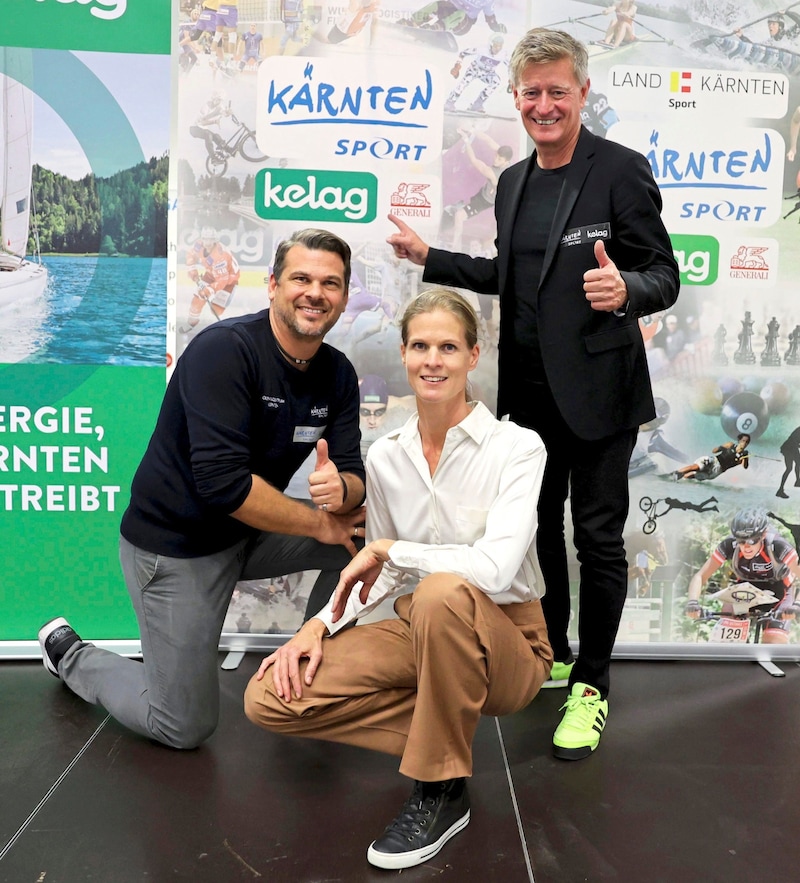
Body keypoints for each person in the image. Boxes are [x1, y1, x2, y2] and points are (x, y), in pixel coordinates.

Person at [386, 27, 680, 759]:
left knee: (597, 539)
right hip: (527, 398)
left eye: (557, 91)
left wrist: (627, 289)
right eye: (532, 93)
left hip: (601, 392)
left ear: (581, 92)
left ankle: (594, 683)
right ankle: (548, 650)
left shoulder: (619, 170)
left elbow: (664, 274)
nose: (544, 105)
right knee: (536, 534)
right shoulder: (514, 182)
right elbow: (510, 277)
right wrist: (432, 258)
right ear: (516, 98)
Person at [244, 288, 552, 869]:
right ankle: (447, 730)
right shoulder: (386, 456)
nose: (432, 360)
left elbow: (493, 569)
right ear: (405, 355)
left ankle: (441, 790)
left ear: (472, 356)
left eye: (447, 347)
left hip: (510, 643)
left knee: (440, 591)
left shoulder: (518, 447)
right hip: (419, 627)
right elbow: (380, 578)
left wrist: (389, 547)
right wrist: (317, 626)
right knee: (270, 698)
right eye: (419, 346)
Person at [38, 229, 367, 750]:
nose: (315, 293)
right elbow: (224, 486)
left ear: (344, 297)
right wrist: (318, 518)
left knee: (359, 543)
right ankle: (70, 653)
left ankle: (312, 667)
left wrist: (342, 489)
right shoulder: (225, 351)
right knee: (182, 726)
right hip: (177, 549)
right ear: (274, 285)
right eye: (301, 278)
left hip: (248, 536)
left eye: (331, 283)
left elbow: (352, 474)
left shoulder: (337, 373)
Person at [685, 507, 800, 644]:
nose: (746, 546)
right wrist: (692, 603)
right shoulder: (729, 545)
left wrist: (797, 605)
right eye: (741, 541)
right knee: (726, 634)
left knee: (773, 641)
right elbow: (700, 576)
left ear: (763, 535)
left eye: (752, 541)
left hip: (779, 591)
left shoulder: (778, 545)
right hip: (745, 590)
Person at [444, 127, 513, 251]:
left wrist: (466, 141)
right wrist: (472, 131)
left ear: (506, 161)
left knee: (459, 215)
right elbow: (487, 139)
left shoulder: (493, 175)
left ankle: (455, 248)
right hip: (489, 192)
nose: (495, 160)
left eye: (499, 159)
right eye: (496, 157)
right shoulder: (503, 155)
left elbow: (474, 161)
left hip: (487, 200)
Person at [179, 226, 240, 334]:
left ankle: (222, 331)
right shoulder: (199, 245)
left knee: (216, 310)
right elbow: (191, 255)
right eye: (205, 239)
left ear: (215, 240)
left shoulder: (220, 256)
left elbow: (222, 280)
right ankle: (192, 322)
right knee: (198, 298)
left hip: (229, 281)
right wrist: (192, 270)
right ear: (202, 239)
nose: (207, 242)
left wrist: (208, 290)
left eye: (210, 239)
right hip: (211, 274)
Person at [445, 33, 509, 114]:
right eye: (496, 46)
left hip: (488, 74)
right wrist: (457, 65)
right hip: (475, 70)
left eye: (500, 46)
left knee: (496, 81)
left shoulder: (503, 54)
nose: (498, 49)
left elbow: (511, 66)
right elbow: (463, 53)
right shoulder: (482, 49)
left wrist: (512, 79)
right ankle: (450, 102)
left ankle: (477, 105)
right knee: (464, 82)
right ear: (491, 45)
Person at [398, 0, 506, 36]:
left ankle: (438, 28)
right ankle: (413, 22)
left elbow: (490, 17)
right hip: (450, 10)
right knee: (437, 4)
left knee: (461, 13)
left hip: (463, 23)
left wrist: (496, 27)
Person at [673, 433, 750, 481]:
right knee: (697, 467)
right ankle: (676, 473)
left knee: (692, 475)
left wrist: (745, 457)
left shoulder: (744, 455)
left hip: (717, 470)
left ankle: (680, 477)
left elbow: (745, 466)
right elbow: (714, 451)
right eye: (743, 441)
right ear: (739, 441)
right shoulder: (730, 445)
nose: (745, 443)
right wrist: (721, 448)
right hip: (713, 460)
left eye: (747, 442)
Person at [776, 426, 800, 498]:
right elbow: (794, 440)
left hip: (790, 447)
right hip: (789, 448)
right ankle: (781, 490)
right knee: (790, 467)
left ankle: (797, 481)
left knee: (794, 465)